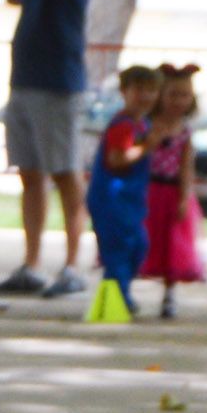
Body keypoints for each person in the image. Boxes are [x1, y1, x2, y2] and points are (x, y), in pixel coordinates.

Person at [0, 0, 94, 299]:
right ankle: (30, 263)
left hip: (57, 83)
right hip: (24, 79)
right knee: (30, 173)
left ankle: (72, 263)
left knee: (64, 173)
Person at [85, 64, 165, 317]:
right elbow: (117, 159)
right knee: (118, 250)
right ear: (124, 91)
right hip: (112, 198)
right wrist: (147, 147)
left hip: (131, 200)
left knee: (138, 246)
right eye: (139, 89)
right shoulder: (124, 126)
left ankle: (121, 292)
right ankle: (116, 298)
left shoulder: (143, 124)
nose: (146, 96)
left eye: (152, 90)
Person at [143, 63, 205, 317]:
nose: (179, 101)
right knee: (143, 240)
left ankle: (169, 295)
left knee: (172, 245)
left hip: (172, 193)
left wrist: (184, 196)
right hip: (147, 191)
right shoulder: (147, 126)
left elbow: (186, 167)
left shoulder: (185, 133)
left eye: (185, 95)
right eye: (173, 94)